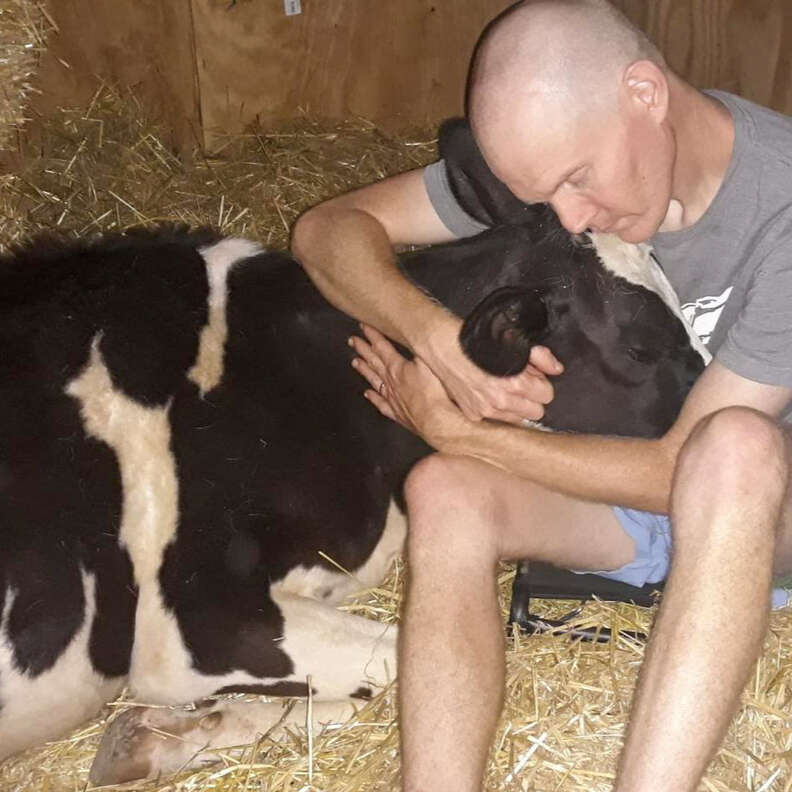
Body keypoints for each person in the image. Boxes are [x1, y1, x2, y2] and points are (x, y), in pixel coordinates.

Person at [290, 1, 792, 790]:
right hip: (643, 501)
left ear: (645, 93)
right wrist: (438, 342)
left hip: (763, 512)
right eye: (547, 194)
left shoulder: (784, 208)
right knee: (444, 490)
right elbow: (325, 232)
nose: (571, 216)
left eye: (577, 180)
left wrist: (465, 432)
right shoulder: (556, 158)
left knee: (734, 447)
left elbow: (679, 471)